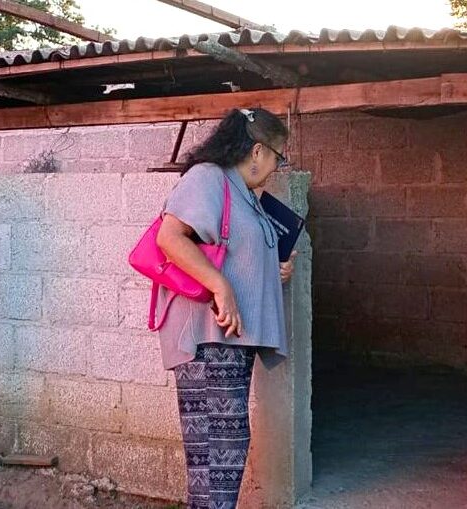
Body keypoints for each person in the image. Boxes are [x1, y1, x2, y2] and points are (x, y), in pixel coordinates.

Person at [155, 107, 296, 509]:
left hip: (229, 340)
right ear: (258, 151)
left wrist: (275, 269)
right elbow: (170, 237)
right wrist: (221, 286)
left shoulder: (244, 195)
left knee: (218, 449)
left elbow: (236, 255)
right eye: (278, 157)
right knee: (221, 445)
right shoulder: (208, 178)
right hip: (207, 337)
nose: (276, 167)